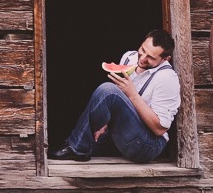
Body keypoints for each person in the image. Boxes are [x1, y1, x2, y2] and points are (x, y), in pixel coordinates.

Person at [50, 29, 180, 164]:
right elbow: (116, 103)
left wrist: (132, 94)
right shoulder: (129, 57)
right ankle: (78, 146)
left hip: (147, 145)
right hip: (121, 135)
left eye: (151, 57)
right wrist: (103, 124)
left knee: (108, 90)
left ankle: (76, 148)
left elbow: (160, 129)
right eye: (143, 50)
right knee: (87, 141)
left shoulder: (167, 78)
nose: (142, 58)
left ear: (165, 59)